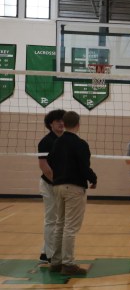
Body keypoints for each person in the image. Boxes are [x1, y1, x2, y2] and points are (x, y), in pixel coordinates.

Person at [48, 111, 97, 275]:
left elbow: (50, 161)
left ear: (64, 123)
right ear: (78, 124)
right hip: (74, 187)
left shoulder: (57, 142)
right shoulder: (80, 144)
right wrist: (93, 178)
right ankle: (68, 264)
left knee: (60, 224)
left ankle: (55, 262)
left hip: (57, 186)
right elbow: (84, 167)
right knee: (70, 227)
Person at [37, 109, 65, 263]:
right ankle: (49, 255)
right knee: (51, 220)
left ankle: (44, 252)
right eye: (57, 121)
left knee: (60, 220)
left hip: (61, 185)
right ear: (50, 124)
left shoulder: (67, 139)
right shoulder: (46, 141)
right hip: (50, 185)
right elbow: (45, 168)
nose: (61, 123)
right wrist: (59, 183)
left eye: (62, 120)